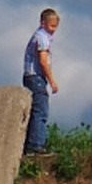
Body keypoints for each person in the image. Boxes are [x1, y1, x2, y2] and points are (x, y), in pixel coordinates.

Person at [23, 8, 60, 154]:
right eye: (51, 26)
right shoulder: (42, 37)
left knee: (35, 110)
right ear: (43, 23)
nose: (53, 30)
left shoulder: (40, 35)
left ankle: (32, 143)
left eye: (55, 26)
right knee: (41, 111)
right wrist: (52, 81)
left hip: (31, 77)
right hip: (36, 77)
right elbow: (43, 61)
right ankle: (36, 145)